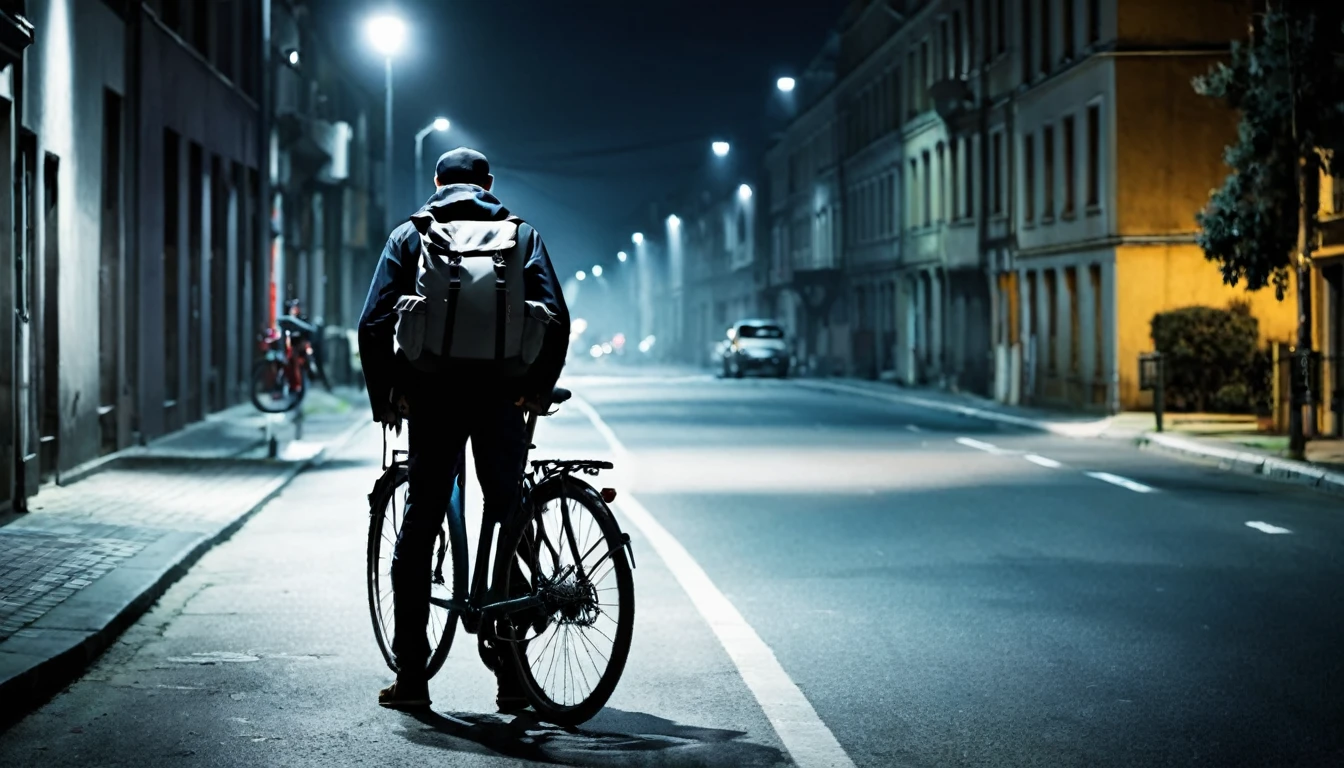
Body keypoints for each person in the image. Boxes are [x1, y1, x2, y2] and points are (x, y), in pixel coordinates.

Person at [357, 147, 570, 711]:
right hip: (502, 394)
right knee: (510, 516)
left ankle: (412, 680)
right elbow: (558, 318)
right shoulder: (522, 235)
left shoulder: (412, 235)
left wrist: (388, 397)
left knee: (422, 520)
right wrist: (537, 387)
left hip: (433, 395)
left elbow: (373, 324)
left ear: (436, 183)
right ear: (489, 184)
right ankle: (512, 677)